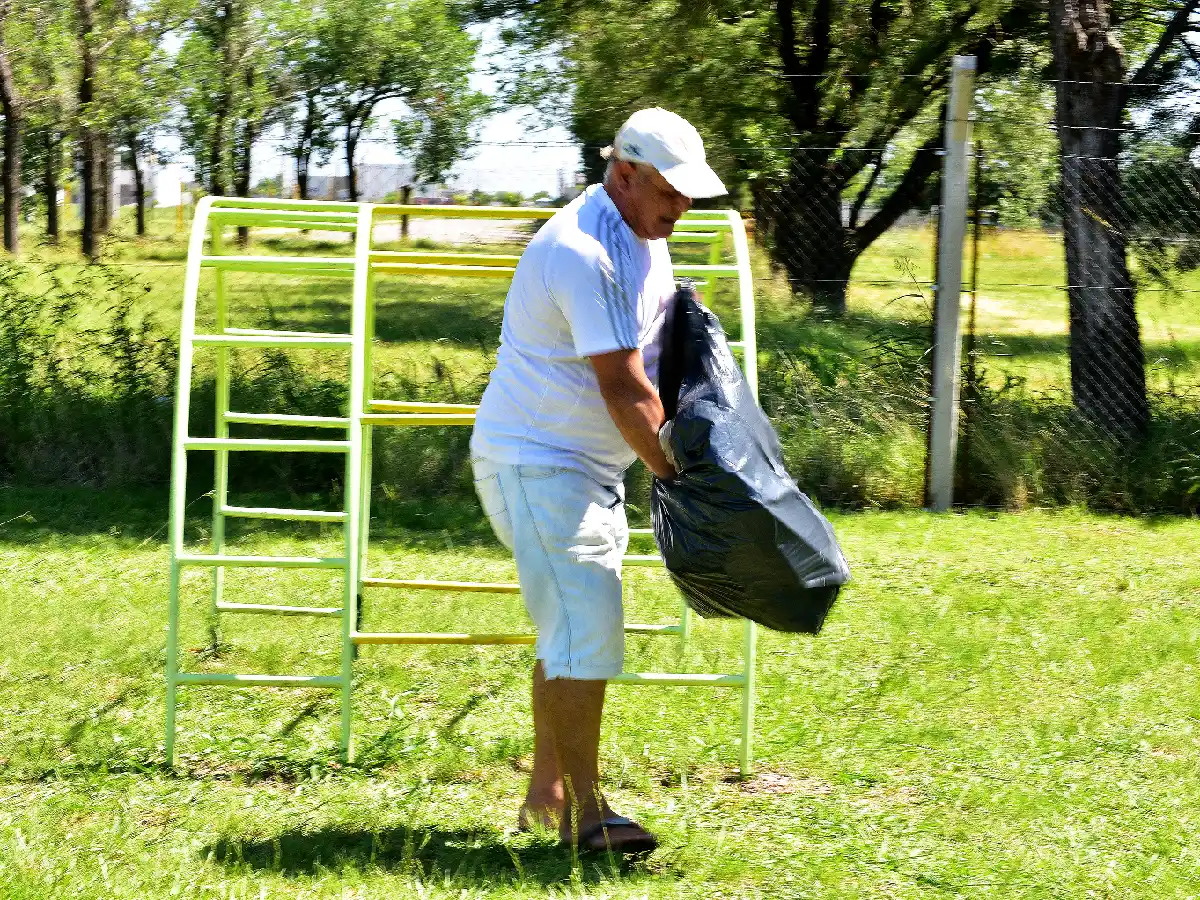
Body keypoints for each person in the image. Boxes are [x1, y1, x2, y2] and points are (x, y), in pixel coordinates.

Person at [470, 108, 727, 853]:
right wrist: (682, 479)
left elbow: (656, 346)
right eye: (669, 192)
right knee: (586, 627)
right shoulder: (583, 251)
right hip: (538, 462)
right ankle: (588, 815)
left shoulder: (643, 235)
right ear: (623, 174)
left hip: (583, 467)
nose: (682, 208)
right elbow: (624, 389)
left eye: (687, 194)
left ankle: (545, 798)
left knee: (570, 630)